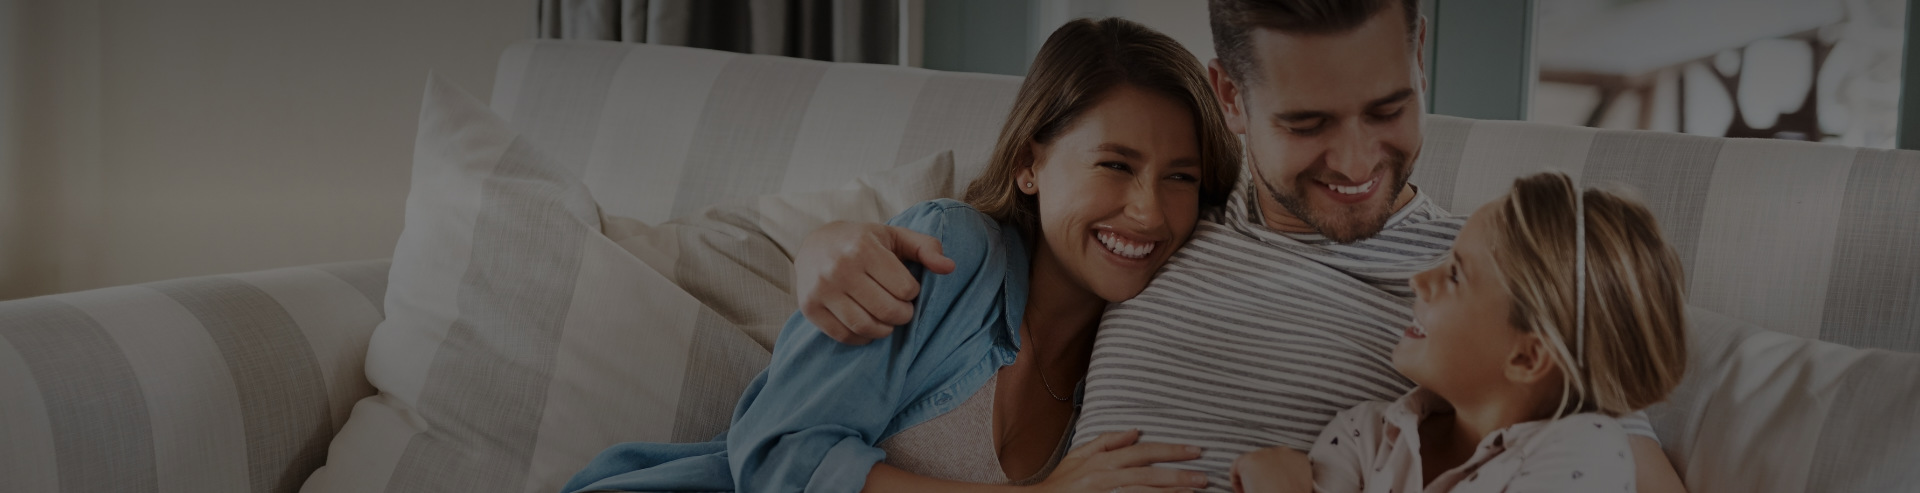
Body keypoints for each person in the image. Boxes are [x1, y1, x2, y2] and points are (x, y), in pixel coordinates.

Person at [788, 1, 1691, 491]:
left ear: (1420, 53)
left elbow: (1625, 460)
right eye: (1305, 123)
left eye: (1387, 109)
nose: (1354, 161)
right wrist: (819, 245)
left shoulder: (1492, 279)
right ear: (1230, 98)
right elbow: (1015, 226)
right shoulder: (1159, 223)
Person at [562, 17, 1243, 493]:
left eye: (1180, 176)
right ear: (1032, 162)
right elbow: (775, 461)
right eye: (1115, 164)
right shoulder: (950, 254)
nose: (1150, 210)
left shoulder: (1139, 358)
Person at [1229, 173, 1689, 492]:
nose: (1418, 281)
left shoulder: (1585, 449)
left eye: (1454, 276)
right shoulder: (1362, 435)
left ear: (1527, 358)